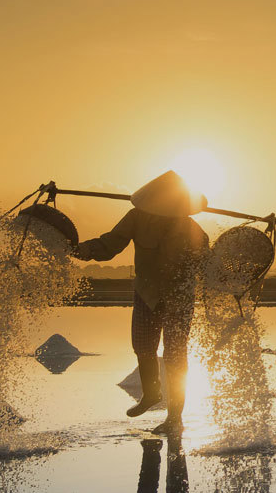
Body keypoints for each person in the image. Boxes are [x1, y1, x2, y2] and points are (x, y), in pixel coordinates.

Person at [75, 171, 211, 435]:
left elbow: (206, 262)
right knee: (143, 345)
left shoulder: (190, 227)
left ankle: (175, 418)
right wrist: (79, 249)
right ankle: (151, 393)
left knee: (175, 356)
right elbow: (109, 245)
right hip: (147, 292)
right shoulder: (136, 218)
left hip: (179, 296)